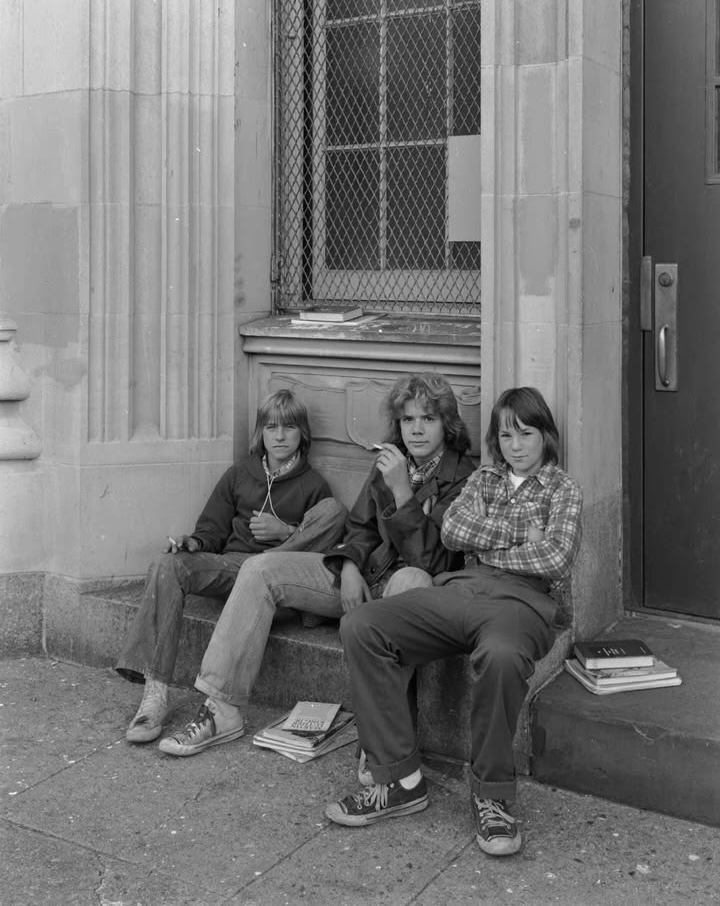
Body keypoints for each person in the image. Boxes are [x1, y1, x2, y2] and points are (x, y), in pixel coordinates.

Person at [157, 371, 476, 757]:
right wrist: (351, 566)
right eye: (408, 420)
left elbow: (435, 559)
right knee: (259, 569)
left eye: (429, 419)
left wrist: (403, 493)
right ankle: (220, 709)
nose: (417, 430)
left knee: (411, 579)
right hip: (365, 576)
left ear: (447, 423)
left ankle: (382, 743)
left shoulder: (465, 478)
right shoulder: (391, 461)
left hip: (411, 588)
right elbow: (359, 528)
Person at [324, 386, 583, 858]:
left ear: (546, 436)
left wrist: (492, 541)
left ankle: (493, 795)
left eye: (526, 434)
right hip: (462, 586)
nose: (515, 446)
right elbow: (454, 531)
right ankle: (399, 779)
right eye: (505, 435)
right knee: (364, 624)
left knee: (502, 655)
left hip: (523, 604)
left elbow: (556, 557)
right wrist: (522, 533)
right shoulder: (484, 479)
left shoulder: (564, 489)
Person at [116, 389, 346, 743]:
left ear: (303, 433)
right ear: (260, 433)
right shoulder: (239, 474)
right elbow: (211, 529)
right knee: (166, 563)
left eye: (288, 427)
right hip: (231, 567)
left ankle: (267, 566)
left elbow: (321, 548)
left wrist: (285, 532)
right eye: (271, 427)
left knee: (333, 512)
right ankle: (155, 693)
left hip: (276, 576)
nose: (280, 435)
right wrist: (192, 544)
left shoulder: (313, 485)